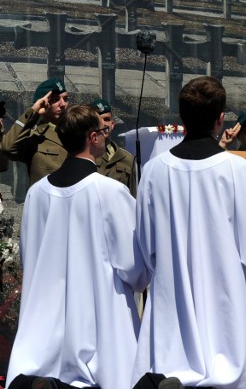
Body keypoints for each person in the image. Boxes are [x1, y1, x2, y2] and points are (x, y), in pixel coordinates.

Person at [131, 76, 246, 388]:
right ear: (220, 120)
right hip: (231, 312)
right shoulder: (240, 172)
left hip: (172, 307)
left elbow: (147, 247)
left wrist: (171, 276)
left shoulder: (152, 172)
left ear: (182, 118)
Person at [6, 105, 149, 389]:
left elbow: (30, 257)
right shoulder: (111, 193)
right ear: (93, 138)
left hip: (43, 336)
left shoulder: (36, 193)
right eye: (104, 131)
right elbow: (135, 270)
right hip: (99, 332)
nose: (107, 137)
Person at [1, 77, 69, 186]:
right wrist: (34, 111)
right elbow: (8, 148)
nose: (63, 104)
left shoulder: (77, 131)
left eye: (65, 99)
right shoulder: (34, 136)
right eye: (55, 99)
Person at [90, 98, 137, 196]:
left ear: (112, 124)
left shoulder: (127, 159)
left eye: (107, 119)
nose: (104, 124)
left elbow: (133, 196)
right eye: (99, 119)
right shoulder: (87, 154)